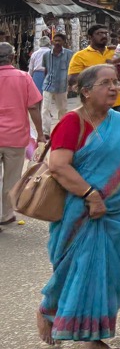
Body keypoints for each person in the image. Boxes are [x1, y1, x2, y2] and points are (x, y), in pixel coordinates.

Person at [39, 63, 120, 349]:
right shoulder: (72, 122)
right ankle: (49, 309)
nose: (114, 88)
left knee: (110, 276)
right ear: (86, 92)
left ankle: (94, 338)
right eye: (106, 83)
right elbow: (58, 166)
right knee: (73, 268)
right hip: (79, 212)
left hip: (113, 213)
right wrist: (91, 195)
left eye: (116, 82)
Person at [1, 42, 43, 228]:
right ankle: (6, 215)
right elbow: (33, 106)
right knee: (11, 178)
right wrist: (41, 133)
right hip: (15, 137)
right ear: (12, 57)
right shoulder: (23, 77)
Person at [68, 24, 120, 116]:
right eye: (99, 33)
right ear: (90, 37)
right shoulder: (80, 56)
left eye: (106, 33)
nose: (104, 36)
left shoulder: (115, 52)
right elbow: (72, 80)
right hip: (95, 104)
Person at [42, 32, 74, 134]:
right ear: (52, 42)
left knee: (62, 109)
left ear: (63, 42)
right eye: (55, 40)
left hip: (62, 86)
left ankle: (62, 130)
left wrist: (70, 84)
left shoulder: (69, 54)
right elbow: (46, 69)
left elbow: (71, 70)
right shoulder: (46, 55)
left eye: (59, 41)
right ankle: (45, 132)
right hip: (48, 84)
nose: (57, 42)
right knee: (45, 109)